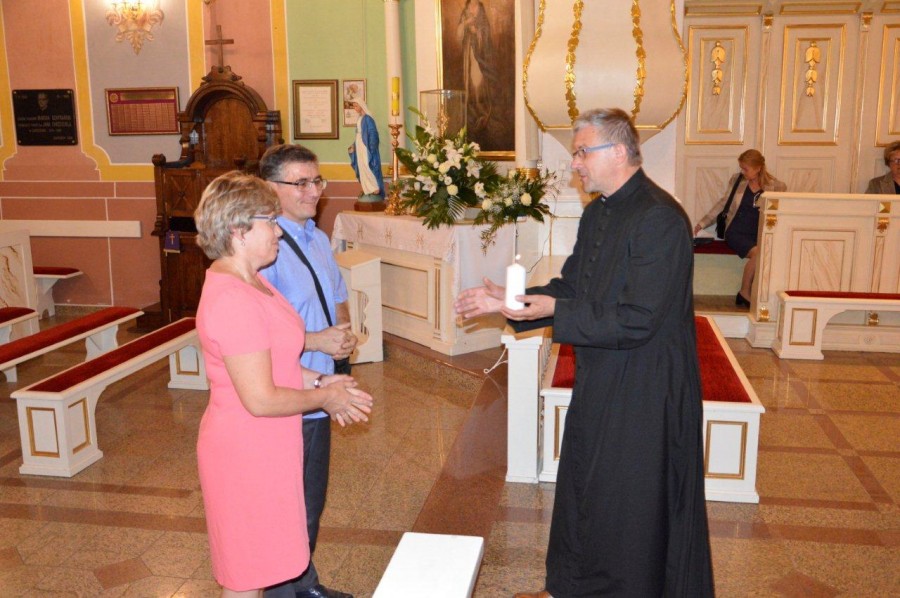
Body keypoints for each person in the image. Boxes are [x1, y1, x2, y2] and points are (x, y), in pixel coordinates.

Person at [455, 108, 714, 597]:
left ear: (618, 152)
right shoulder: (598, 212)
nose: (574, 163)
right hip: (603, 373)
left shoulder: (659, 218)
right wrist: (513, 300)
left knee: (627, 503)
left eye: (581, 152)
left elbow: (640, 317)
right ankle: (570, 588)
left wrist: (555, 308)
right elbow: (573, 287)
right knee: (585, 485)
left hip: (645, 387)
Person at [194, 171, 372, 598]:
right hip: (245, 451)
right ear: (238, 230)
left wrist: (323, 378)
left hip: (269, 445)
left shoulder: (255, 280)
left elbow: (275, 363)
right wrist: (326, 397)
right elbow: (259, 397)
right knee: (246, 576)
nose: (278, 231)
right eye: (270, 222)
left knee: (265, 563)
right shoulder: (232, 298)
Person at [259, 144, 359, 598]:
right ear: (270, 188)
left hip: (322, 386)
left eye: (316, 180)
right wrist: (316, 342)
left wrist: (344, 334)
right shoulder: (266, 249)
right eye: (300, 183)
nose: (313, 191)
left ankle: (303, 582)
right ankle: (284, 591)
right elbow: (260, 335)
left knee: (310, 499)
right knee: (286, 503)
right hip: (289, 390)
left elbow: (336, 295)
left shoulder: (317, 238)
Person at [693, 149, 786, 308]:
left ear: (758, 168)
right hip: (736, 230)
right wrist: (702, 223)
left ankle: (757, 294)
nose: (742, 172)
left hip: (759, 233)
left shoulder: (776, 186)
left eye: (745, 169)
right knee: (759, 253)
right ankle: (744, 292)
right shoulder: (737, 181)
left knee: (764, 254)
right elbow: (723, 204)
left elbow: (782, 210)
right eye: (741, 168)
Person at [457, 0, 497, 133]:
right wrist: (465, 24)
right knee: (468, 83)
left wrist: (477, 32)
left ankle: (482, 114)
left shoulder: (481, 8)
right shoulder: (465, 11)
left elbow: (486, 31)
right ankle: (471, 116)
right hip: (468, 53)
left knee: (478, 83)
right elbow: (458, 34)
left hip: (479, 55)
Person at [347, 99, 384, 201]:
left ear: (361, 105)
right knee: (362, 166)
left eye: (356, 106)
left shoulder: (368, 118)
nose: (354, 108)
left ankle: (375, 188)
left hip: (366, 146)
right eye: (353, 106)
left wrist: (371, 147)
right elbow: (358, 134)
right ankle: (367, 188)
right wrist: (354, 145)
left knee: (368, 165)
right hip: (360, 144)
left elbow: (373, 133)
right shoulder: (360, 118)